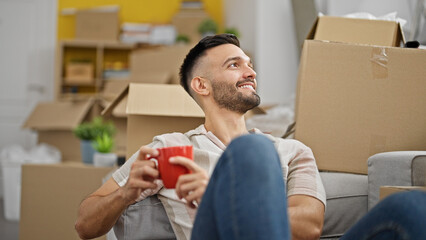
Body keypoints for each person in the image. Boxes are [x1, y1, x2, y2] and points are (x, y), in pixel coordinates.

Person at [75, 33, 326, 240]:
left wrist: (219, 197)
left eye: (249, 64)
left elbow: (309, 228)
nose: (251, 72)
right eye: (234, 65)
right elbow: (85, 226)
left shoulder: (293, 150)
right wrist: (126, 193)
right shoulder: (171, 149)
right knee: (254, 147)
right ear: (201, 85)